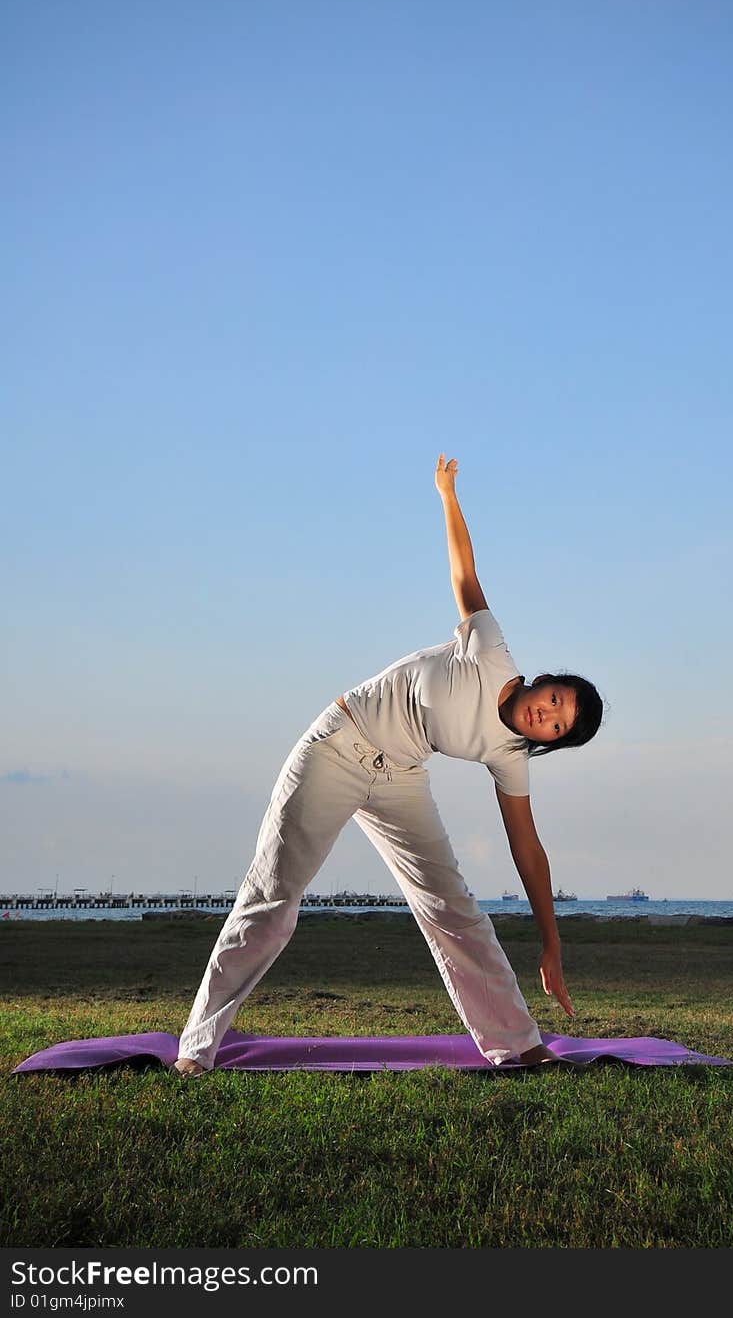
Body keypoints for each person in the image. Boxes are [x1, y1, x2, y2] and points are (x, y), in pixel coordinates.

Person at [174, 454, 604, 1077]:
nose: (550, 717)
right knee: (272, 896)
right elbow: (465, 571)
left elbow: (529, 851)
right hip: (338, 744)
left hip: (399, 777)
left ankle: (518, 1044)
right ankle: (197, 1047)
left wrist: (552, 940)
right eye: (556, 701)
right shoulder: (490, 651)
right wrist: (447, 494)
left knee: (451, 905)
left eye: (560, 728)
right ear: (543, 683)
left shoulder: (509, 756)